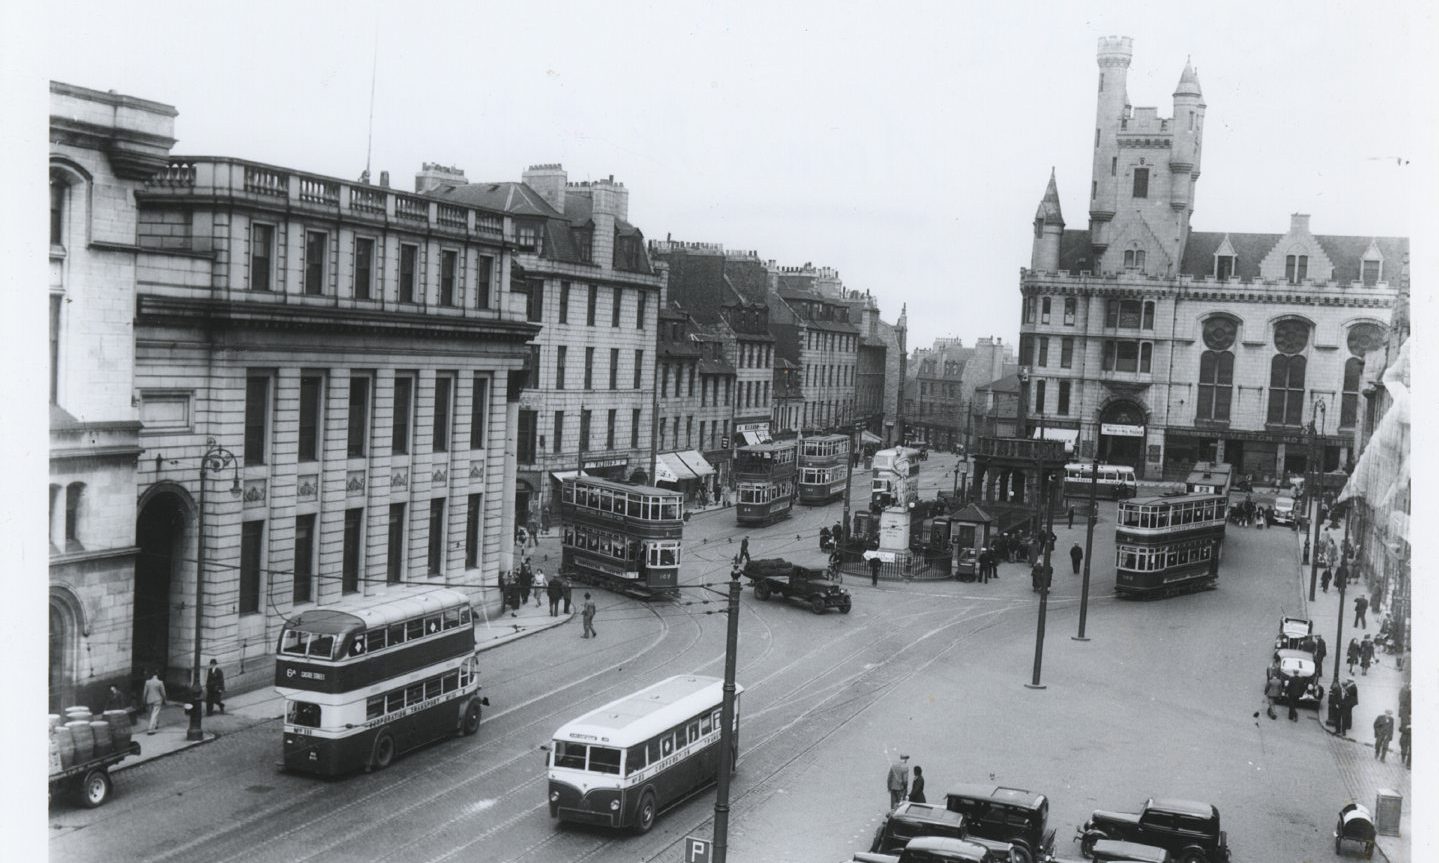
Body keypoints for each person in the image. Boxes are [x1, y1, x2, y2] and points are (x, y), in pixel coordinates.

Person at [143, 670, 167, 735]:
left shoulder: (147, 682)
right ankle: (150, 729)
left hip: (149, 700)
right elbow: (163, 693)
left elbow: (145, 693)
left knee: (152, 714)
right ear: (157, 675)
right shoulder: (160, 683)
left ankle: (156, 724)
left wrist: (144, 700)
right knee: (154, 714)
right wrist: (165, 700)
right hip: (157, 700)